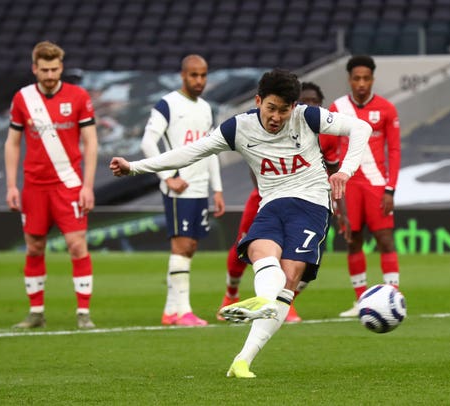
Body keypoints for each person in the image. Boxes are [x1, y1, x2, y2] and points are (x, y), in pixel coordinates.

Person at [110, 69, 371, 378]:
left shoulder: (308, 117)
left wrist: (345, 171)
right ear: (258, 100)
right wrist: (135, 167)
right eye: (271, 107)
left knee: (290, 276)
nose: (276, 116)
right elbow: (189, 153)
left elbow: (361, 128)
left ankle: (243, 357)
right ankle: (262, 304)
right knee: (261, 252)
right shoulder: (238, 127)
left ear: (293, 106)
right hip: (272, 203)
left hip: (311, 203)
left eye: (283, 110)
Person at [217, 81, 341, 324]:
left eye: (315, 102)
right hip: (267, 198)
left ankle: (286, 301)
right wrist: (269, 198)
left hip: (310, 202)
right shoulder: (279, 125)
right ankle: (230, 294)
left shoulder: (326, 135)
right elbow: (258, 165)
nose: (310, 106)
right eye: (306, 102)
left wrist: (338, 207)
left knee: (303, 259)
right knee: (246, 243)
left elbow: (333, 169)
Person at [4, 41, 98, 329]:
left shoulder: (78, 96)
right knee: (34, 247)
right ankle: (36, 312)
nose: (49, 74)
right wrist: (11, 185)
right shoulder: (23, 98)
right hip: (34, 186)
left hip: (68, 184)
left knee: (76, 245)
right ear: (35, 68)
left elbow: (91, 141)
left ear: (61, 67)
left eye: (54, 69)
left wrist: (88, 185)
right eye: (44, 69)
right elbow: (12, 142)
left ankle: (83, 314)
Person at [140, 54, 225, 327]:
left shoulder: (206, 108)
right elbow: (147, 143)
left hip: (200, 187)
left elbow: (212, 150)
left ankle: (170, 310)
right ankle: (183, 311)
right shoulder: (167, 104)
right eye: (194, 75)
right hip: (180, 187)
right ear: (183, 75)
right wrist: (167, 177)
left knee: (190, 247)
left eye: (203, 75)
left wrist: (218, 189)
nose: (199, 80)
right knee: (182, 245)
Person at [325, 55, 402, 317]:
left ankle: (393, 297)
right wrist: (335, 193)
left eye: (366, 78)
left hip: (377, 185)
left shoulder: (387, 109)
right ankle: (361, 301)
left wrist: (391, 189)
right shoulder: (337, 108)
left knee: (385, 240)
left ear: (372, 79)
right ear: (349, 79)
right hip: (349, 185)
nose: (361, 83)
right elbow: (330, 151)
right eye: (356, 78)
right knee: (353, 240)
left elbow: (394, 150)